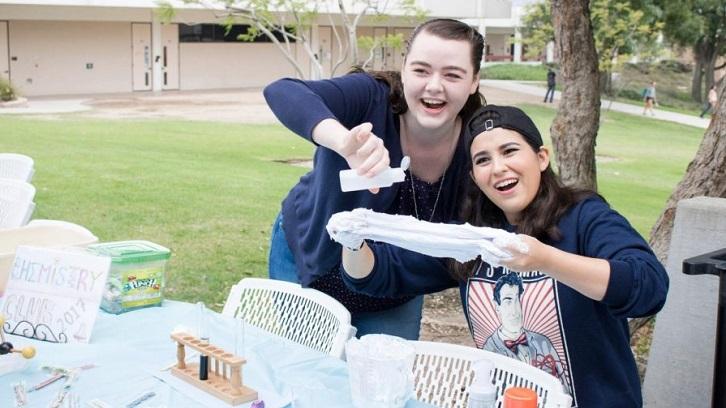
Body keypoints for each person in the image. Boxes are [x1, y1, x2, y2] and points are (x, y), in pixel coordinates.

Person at [341, 105, 669, 407]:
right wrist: (352, 238)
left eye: (510, 151)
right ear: (474, 177)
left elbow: (648, 287)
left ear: (541, 157)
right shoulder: (475, 238)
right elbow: (377, 275)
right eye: (483, 160)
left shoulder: (585, 218)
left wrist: (545, 259)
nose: (498, 168)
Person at [263, 18, 485, 340]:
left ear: (474, 81)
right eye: (421, 70)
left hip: (393, 288)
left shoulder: (478, 145)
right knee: (310, 374)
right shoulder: (371, 98)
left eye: (452, 75)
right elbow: (283, 91)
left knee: (384, 384)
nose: (434, 86)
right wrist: (343, 141)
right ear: (405, 68)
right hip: (310, 258)